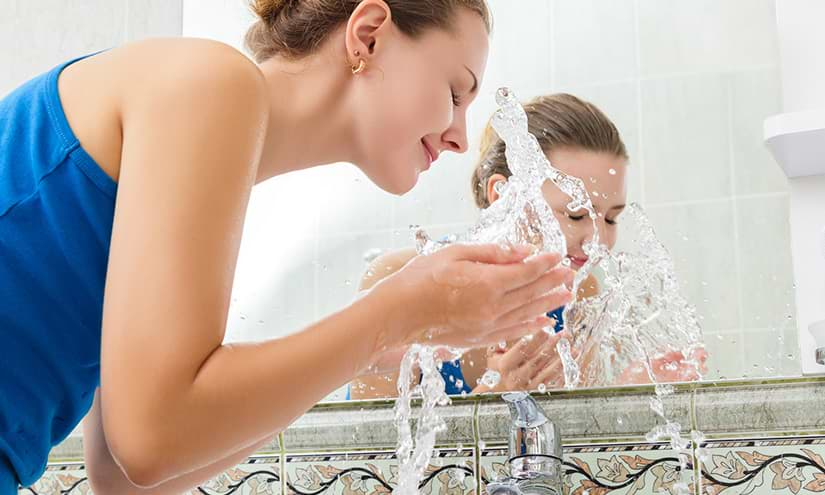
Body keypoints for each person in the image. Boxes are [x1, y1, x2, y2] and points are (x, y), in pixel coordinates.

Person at [0, 1, 578, 493]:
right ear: (368, 35)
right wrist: (397, 310)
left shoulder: (200, 158)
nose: (459, 136)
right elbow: (150, 438)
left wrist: (376, 343)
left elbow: (127, 477)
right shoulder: (210, 82)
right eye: (455, 91)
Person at [349, 93, 707, 400]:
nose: (597, 240)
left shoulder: (580, 297)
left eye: (611, 219)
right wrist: (495, 397)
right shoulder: (398, 279)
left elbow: (572, 453)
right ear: (503, 197)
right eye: (577, 213)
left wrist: (630, 393)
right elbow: (366, 466)